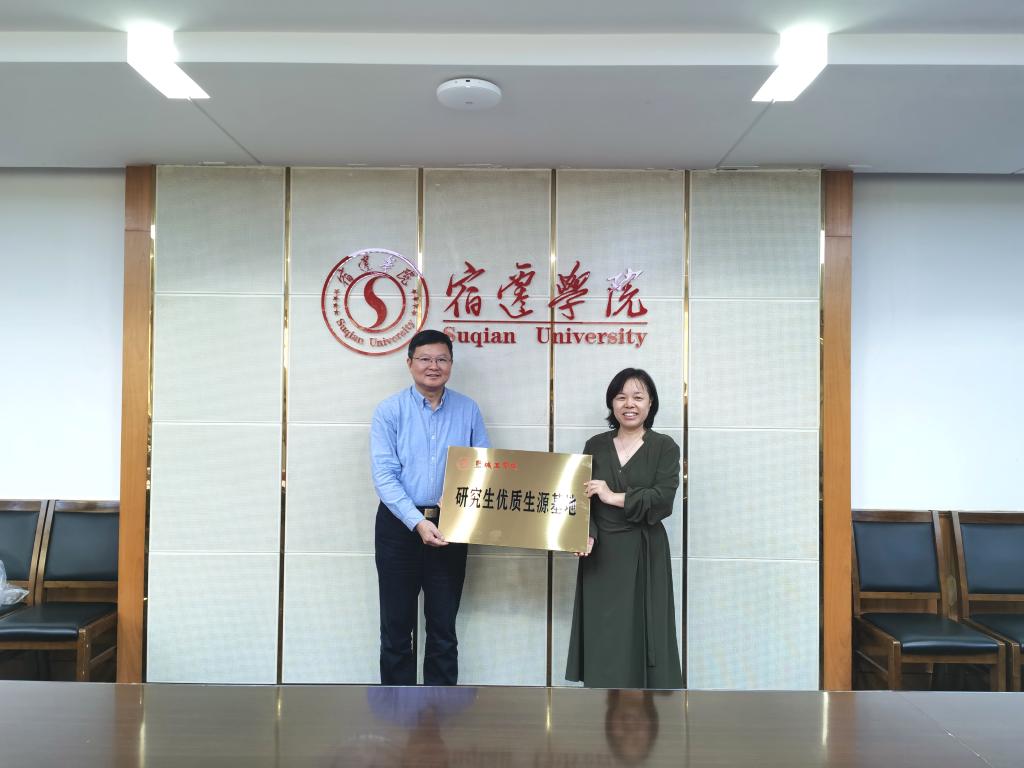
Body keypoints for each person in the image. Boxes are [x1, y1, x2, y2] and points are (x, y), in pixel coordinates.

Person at [371, 329, 489, 686]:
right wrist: (417, 522)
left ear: (451, 364)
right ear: (409, 363)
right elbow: (384, 475)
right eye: (424, 359)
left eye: (441, 359)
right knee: (396, 629)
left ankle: (441, 712)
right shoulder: (389, 410)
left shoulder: (468, 409)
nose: (433, 366)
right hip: (398, 527)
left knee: (443, 629)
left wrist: (455, 504)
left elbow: (483, 466)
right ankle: (397, 710)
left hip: (452, 525)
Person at [565, 367, 682, 689]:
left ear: (650, 403)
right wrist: (585, 533)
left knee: (645, 627)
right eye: (621, 397)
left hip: (645, 550)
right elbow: (581, 499)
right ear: (612, 403)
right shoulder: (595, 444)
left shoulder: (665, 447)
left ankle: (647, 706)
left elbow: (663, 499)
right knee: (604, 630)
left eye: (638, 397)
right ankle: (602, 703)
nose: (629, 404)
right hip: (601, 552)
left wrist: (613, 496)